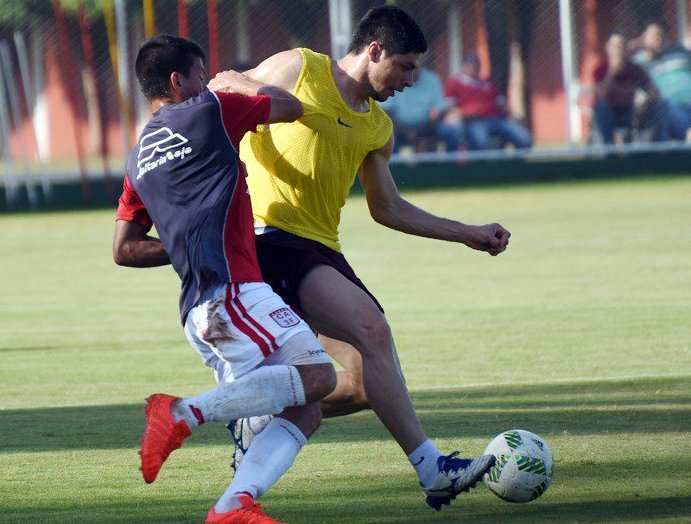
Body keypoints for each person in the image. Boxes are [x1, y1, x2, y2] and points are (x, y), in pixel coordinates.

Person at [215, 5, 510, 511]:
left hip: (319, 250)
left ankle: (257, 415)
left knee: (358, 385)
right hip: (268, 238)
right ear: (373, 51)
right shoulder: (301, 68)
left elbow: (387, 208)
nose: (411, 81)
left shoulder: (377, 126)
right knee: (374, 333)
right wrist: (263, 97)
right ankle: (432, 468)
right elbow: (225, 79)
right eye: (405, 66)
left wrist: (467, 233)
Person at [112, 35, 337, 524]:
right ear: (178, 81)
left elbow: (124, 249)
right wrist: (241, 81)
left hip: (203, 307)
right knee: (321, 378)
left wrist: (190, 243)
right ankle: (180, 414)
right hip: (233, 292)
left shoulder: (136, 161)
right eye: (200, 73)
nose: (205, 81)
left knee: (306, 409)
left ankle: (232, 507)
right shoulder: (208, 109)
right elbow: (291, 105)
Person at [444, 52, 533, 150]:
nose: (473, 66)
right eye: (470, 64)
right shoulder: (455, 83)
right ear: (463, 66)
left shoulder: (488, 82)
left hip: (498, 119)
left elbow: (502, 104)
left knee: (525, 139)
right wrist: (465, 114)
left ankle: (515, 164)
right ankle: (481, 164)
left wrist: (511, 116)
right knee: (481, 143)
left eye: (476, 63)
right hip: (474, 121)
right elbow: (450, 107)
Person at [591, 31, 668, 144]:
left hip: (631, 112)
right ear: (608, 48)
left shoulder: (634, 68)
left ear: (626, 49)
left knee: (661, 105)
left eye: (621, 46)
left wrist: (645, 102)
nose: (618, 50)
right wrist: (612, 72)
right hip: (609, 114)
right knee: (601, 107)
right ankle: (609, 151)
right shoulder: (601, 69)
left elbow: (653, 90)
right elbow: (601, 95)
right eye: (615, 46)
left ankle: (658, 149)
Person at [379, 65, 462, 152]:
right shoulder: (393, 79)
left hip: (426, 126)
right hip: (399, 127)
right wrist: (407, 132)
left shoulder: (431, 79)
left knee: (452, 131)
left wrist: (425, 131)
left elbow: (442, 110)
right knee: (388, 135)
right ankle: (393, 165)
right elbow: (386, 111)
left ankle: (450, 165)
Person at [631, 21, 691, 140]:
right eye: (654, 36)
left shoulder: (678, 51)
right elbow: (620, 63)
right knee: (665, 109)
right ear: (644, 38)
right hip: (671, 108)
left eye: (661, 36)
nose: (659, 40)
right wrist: (633, 46)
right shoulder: (639, 63)